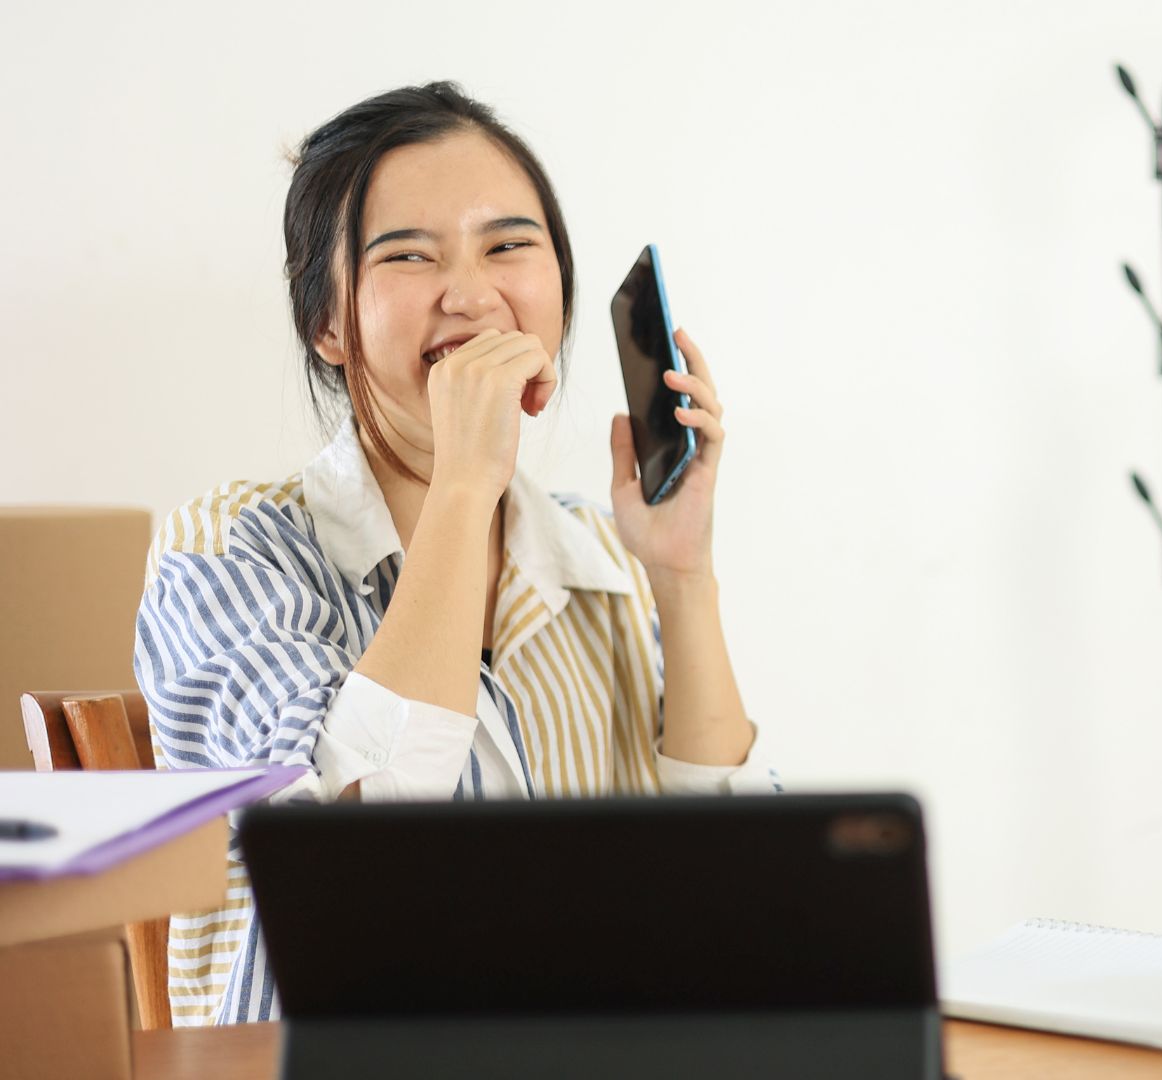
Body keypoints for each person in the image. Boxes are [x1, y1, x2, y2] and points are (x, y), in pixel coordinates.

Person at [132, 81, 778, 1026]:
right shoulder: (229, 550)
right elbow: (363, 837)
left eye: (511, 246)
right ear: (326, 324)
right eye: (408, 255)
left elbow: (738, 882)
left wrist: (679, 575)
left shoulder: (592, 553)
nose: (472, 295)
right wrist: (464, 483)